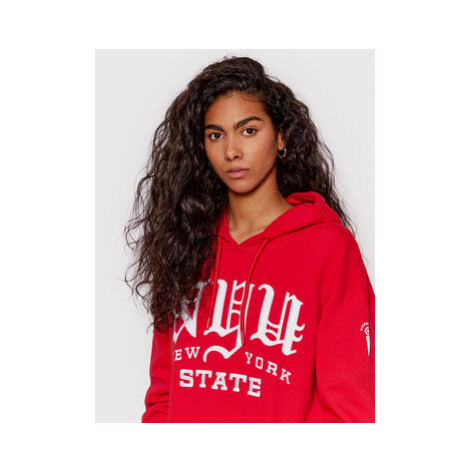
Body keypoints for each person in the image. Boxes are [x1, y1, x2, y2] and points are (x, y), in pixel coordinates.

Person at [125, 56, 375, 423]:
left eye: (248, 131)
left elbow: (350, 407)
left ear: (281, 136)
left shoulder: (328, 246)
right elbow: (164, 394)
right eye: (215, 135)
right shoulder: (185, 241)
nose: (231, 151)